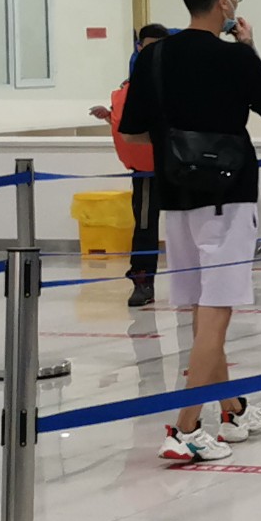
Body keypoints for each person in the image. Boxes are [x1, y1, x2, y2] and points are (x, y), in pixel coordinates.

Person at [117, 0, 261, 462]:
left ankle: (231, 408)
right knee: (217, 311)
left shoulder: (154, 57)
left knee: (201, 310)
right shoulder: (233, 57)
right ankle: (186, 427)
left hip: (175, 197)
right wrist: (249, 47)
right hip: (227, 198)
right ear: (224, 1)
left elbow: (133, 131)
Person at [90, 23, 171, 309]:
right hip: (146, 171)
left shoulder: (180, 79)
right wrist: (110, 116)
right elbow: (129, 125)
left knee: (191, 225)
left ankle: (200, 281)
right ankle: (143, 282)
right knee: (145, 226)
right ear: (139, 47)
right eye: (149, 47)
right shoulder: (131, 86)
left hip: (181, 167)